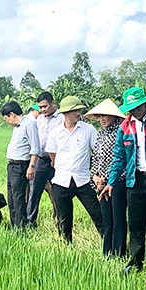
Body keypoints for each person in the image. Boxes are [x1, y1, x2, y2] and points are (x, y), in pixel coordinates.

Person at [100, 87, 146, 275]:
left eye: (137, 107)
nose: (134, 112)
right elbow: (119, 157)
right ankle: (136, 261)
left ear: (145, 103)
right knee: (135, 223)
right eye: (131, 109)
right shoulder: (125, 126)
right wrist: (111, 182)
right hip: (134, 180)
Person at [45, 96, 103, 244]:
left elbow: (97, 152)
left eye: (79, 110)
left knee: (97, 214)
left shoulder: (88, 130)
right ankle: (66, 245)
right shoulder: (55, 133)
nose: (78, 113)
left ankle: (109, 245)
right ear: (65, 113)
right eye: (74, 110)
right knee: (63, 218)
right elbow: (53, 156)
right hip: (61, 181)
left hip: (83, 180)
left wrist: (96, 174)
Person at [86, 98, 128, 257]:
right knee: (106, 219)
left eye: (106, 116)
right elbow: (96, 158)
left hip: (117, 182)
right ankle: (107, 251)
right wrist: (95, 177)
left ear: (114, 116)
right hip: (100, 183)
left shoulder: (121, 132)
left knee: (118, 218)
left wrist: (110, 179)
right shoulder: (100, 134)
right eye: (100, 116)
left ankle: (119, 252)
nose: (102, 119)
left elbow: (122, 159)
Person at [26, 92, 64, 228]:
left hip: (57, 162)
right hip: (41, 160)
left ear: (53, 103)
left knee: (57, 193)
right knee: (34, 191)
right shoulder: (39, 119)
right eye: (40, 107)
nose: (42, 110)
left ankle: (59, 221)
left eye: (45, 106)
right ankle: (30, 222)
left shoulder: (62, 119)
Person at [2, 101, 40, 230]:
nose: (7, 121)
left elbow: (35, 147)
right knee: (11, 198)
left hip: (21, 166)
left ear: (12, 114)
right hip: (12, 165)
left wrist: (32, 166)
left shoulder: (28, 124)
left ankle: (20, 228)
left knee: (19, 198)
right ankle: (14, 226)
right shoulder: (17, 126)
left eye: (6, 118)